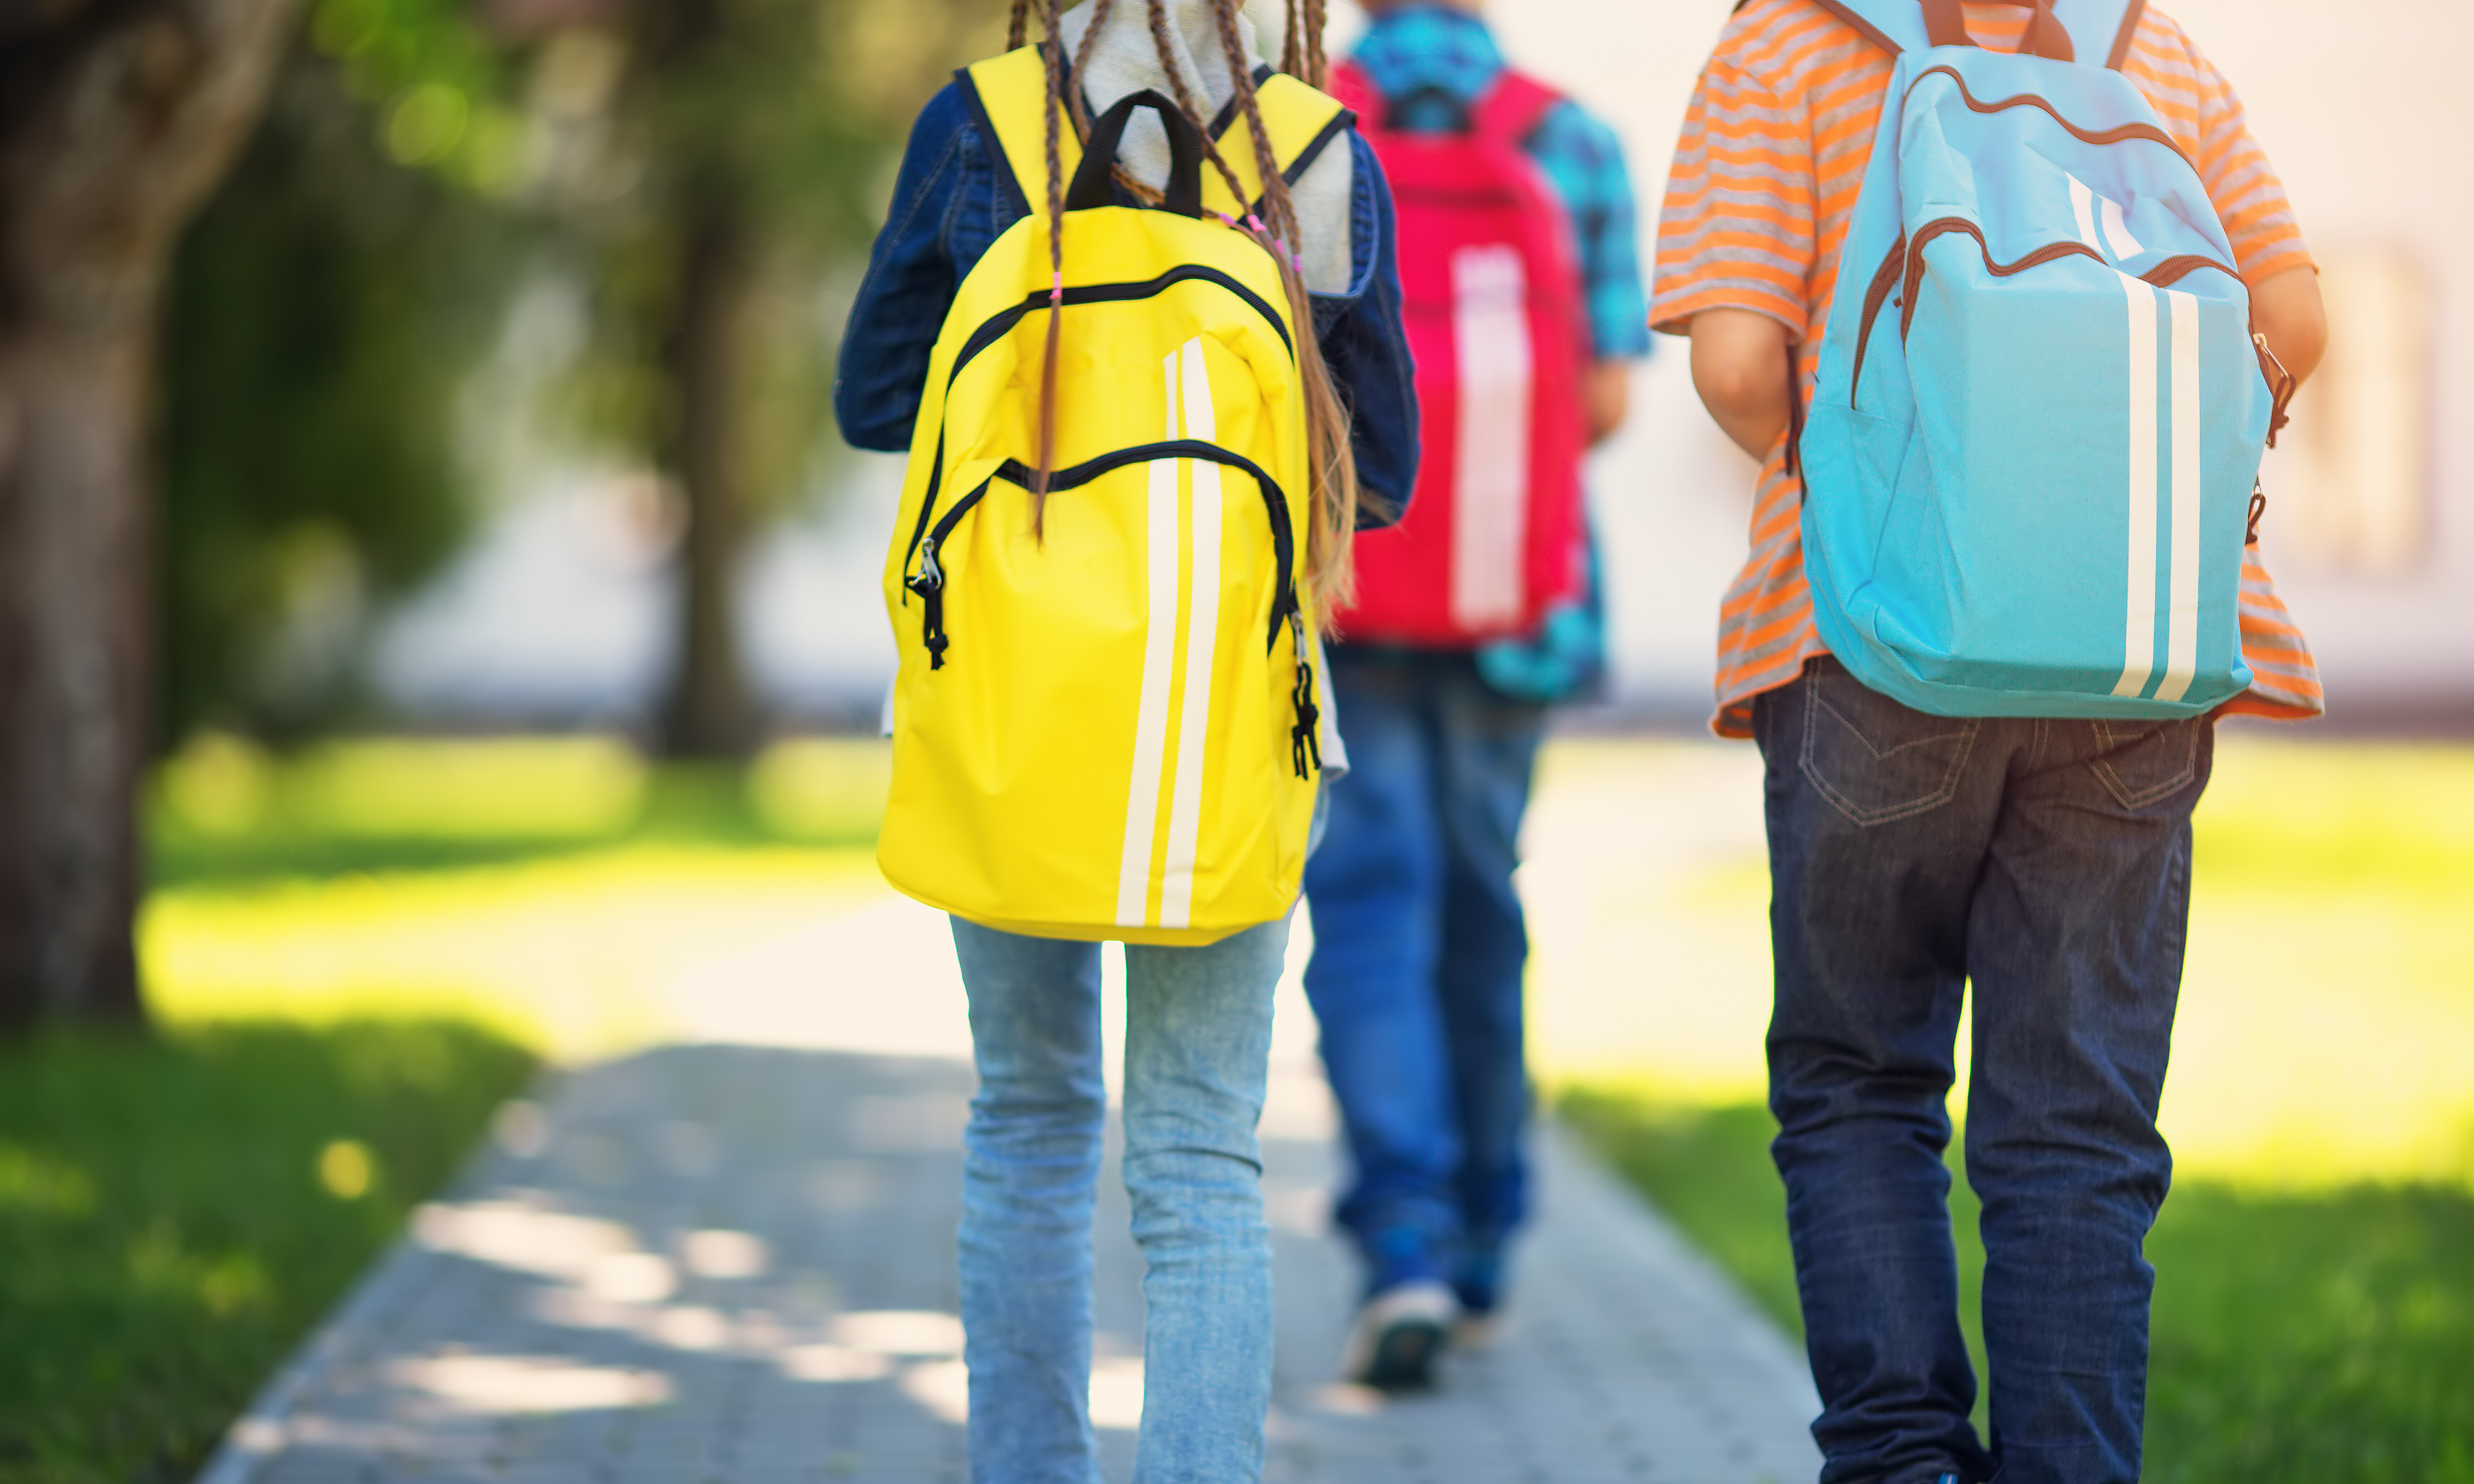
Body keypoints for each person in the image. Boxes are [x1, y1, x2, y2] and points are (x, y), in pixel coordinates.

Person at [1656, 2, 2327, 1480]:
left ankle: (1900, 1464)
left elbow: (1735, 362)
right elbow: (2292, 319)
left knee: (1861, 1080)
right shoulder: (2142, 46)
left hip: (1873, 639)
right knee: (2079, 1128)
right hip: (2134, 656)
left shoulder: (1788, 43)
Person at [832, 2, 1417, 1480]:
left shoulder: (983, 120)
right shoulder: (1314, 147)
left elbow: (876, 402)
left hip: (1007, 707)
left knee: (1028, 1118)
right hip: (1229, 722)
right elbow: (1388, 475)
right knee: (1201, 1157)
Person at [1298, 0, 1651, 1392]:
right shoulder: (1566, 137)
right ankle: (1490, 1242)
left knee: (1369, 907)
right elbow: (1607, 398)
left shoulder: (1302, 125)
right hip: (1520, 602)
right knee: (1481, 902)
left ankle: (1405, 1246)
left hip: (1348, 593)